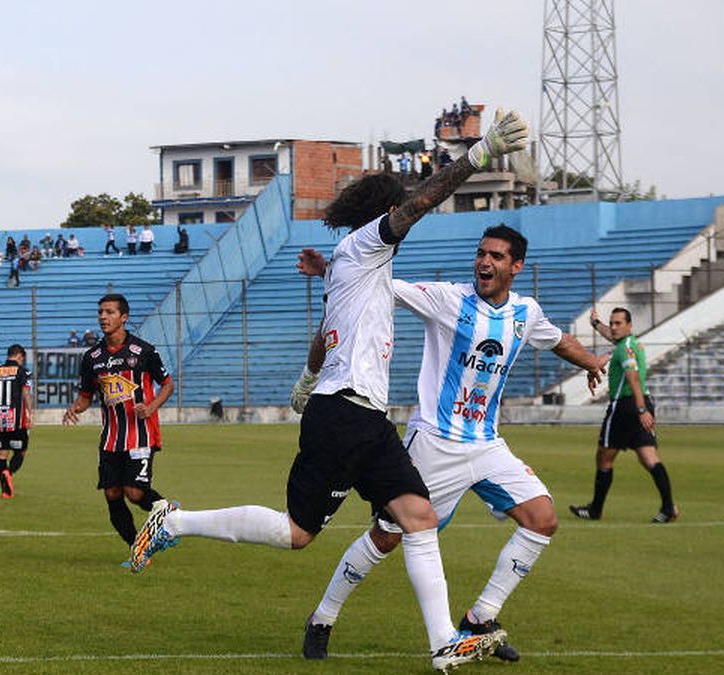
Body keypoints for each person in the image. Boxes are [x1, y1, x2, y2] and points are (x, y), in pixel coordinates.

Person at [126, 110, 530, 671]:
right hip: (347, 415)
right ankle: (173, 522)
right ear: (381, 215)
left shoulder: (353, 263)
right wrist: (477, 154)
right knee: (297, 533)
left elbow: (326, 333)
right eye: (395, 212)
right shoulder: (368, 245)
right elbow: (418, 203)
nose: (403, 220)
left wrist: (308, 376)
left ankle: (444, 645)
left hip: (356, 414)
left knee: (417, 516)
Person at [294, 225, 608, 663]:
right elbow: (382, 284)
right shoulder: (447, 298)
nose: (485, 262)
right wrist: (328, 268)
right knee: (387, 537)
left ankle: (480, 617)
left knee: (542, 519)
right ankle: (323, 617)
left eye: (497, 256)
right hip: (434, 443)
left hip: (486, 444)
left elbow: (557, 340)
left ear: (516, 267)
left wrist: (592, 360)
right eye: (481, 253)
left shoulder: (526, 312)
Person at [63, 294, 175, 549]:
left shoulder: (144, 351)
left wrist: (151, 407)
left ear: (124, 317)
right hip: (111, 437)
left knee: (134, 493)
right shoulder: (92, 357)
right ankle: (137, 546)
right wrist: (74, 409)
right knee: (112, 493)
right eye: (101, 311)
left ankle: (168, 511)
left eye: (110, 312)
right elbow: (86, 396)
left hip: (141, 434)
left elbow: (168, 385)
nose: (103, 316)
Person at [570, 307, 678, 523]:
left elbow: (633, 378)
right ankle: (668, 508)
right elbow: (610, 335)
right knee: (648, 457)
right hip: (641, 401)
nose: (614, 327)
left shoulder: (623, 349)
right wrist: (595, 324)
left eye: (619, 323)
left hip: (625, 407)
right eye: (612, 323)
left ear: (629, 325)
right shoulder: (630, 343)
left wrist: (640, 410)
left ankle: (595, 509)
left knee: (604, 455)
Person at [0, 345, 34, 499]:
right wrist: (30, 412)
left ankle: (5, 489)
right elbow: (26, 392)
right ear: (19, 356)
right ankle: (8, 473)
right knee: (21, 451)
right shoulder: (22, 372)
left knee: (2, 454)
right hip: (16, 418)